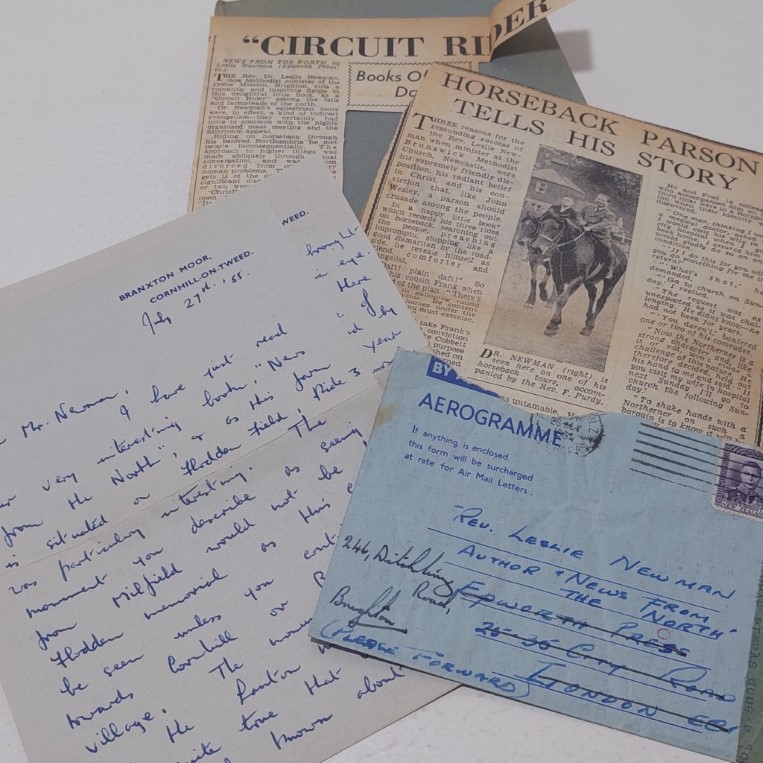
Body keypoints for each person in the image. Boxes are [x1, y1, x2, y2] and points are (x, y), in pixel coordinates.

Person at [581, 193, 616, 279]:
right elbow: (579, 213)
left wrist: (591, 227)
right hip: (583, 231)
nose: (600, 201)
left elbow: (604, 224)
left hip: (600, 235)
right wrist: (581, 221)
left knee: (607, 249)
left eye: (603, 200)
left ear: (608, 203)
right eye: (598, 199)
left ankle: (609, 269)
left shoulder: (609, 214)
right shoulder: (589, 207)